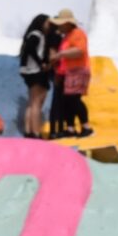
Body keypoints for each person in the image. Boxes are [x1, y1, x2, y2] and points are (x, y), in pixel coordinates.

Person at [48, 9, 91, 139]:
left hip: (79, 69)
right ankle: (71, 128)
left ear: (67, 23)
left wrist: (60, 54)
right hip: (69, 71)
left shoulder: (78, 33)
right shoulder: (67, 36)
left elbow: (80, 50)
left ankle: (86, 127)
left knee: (74, 99)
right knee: (68, 100)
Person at [16, 14, 54, 138]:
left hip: (29, 71)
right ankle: (36, 132)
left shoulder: (32, 34)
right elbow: (30, 49)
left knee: (32, 102)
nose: (49, 25)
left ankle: (28, 131)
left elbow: (27, 50)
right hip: (35, 71)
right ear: (41, 23)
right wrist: (40, 63)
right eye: (48, 23)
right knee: (37, 103)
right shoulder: (37, 35)